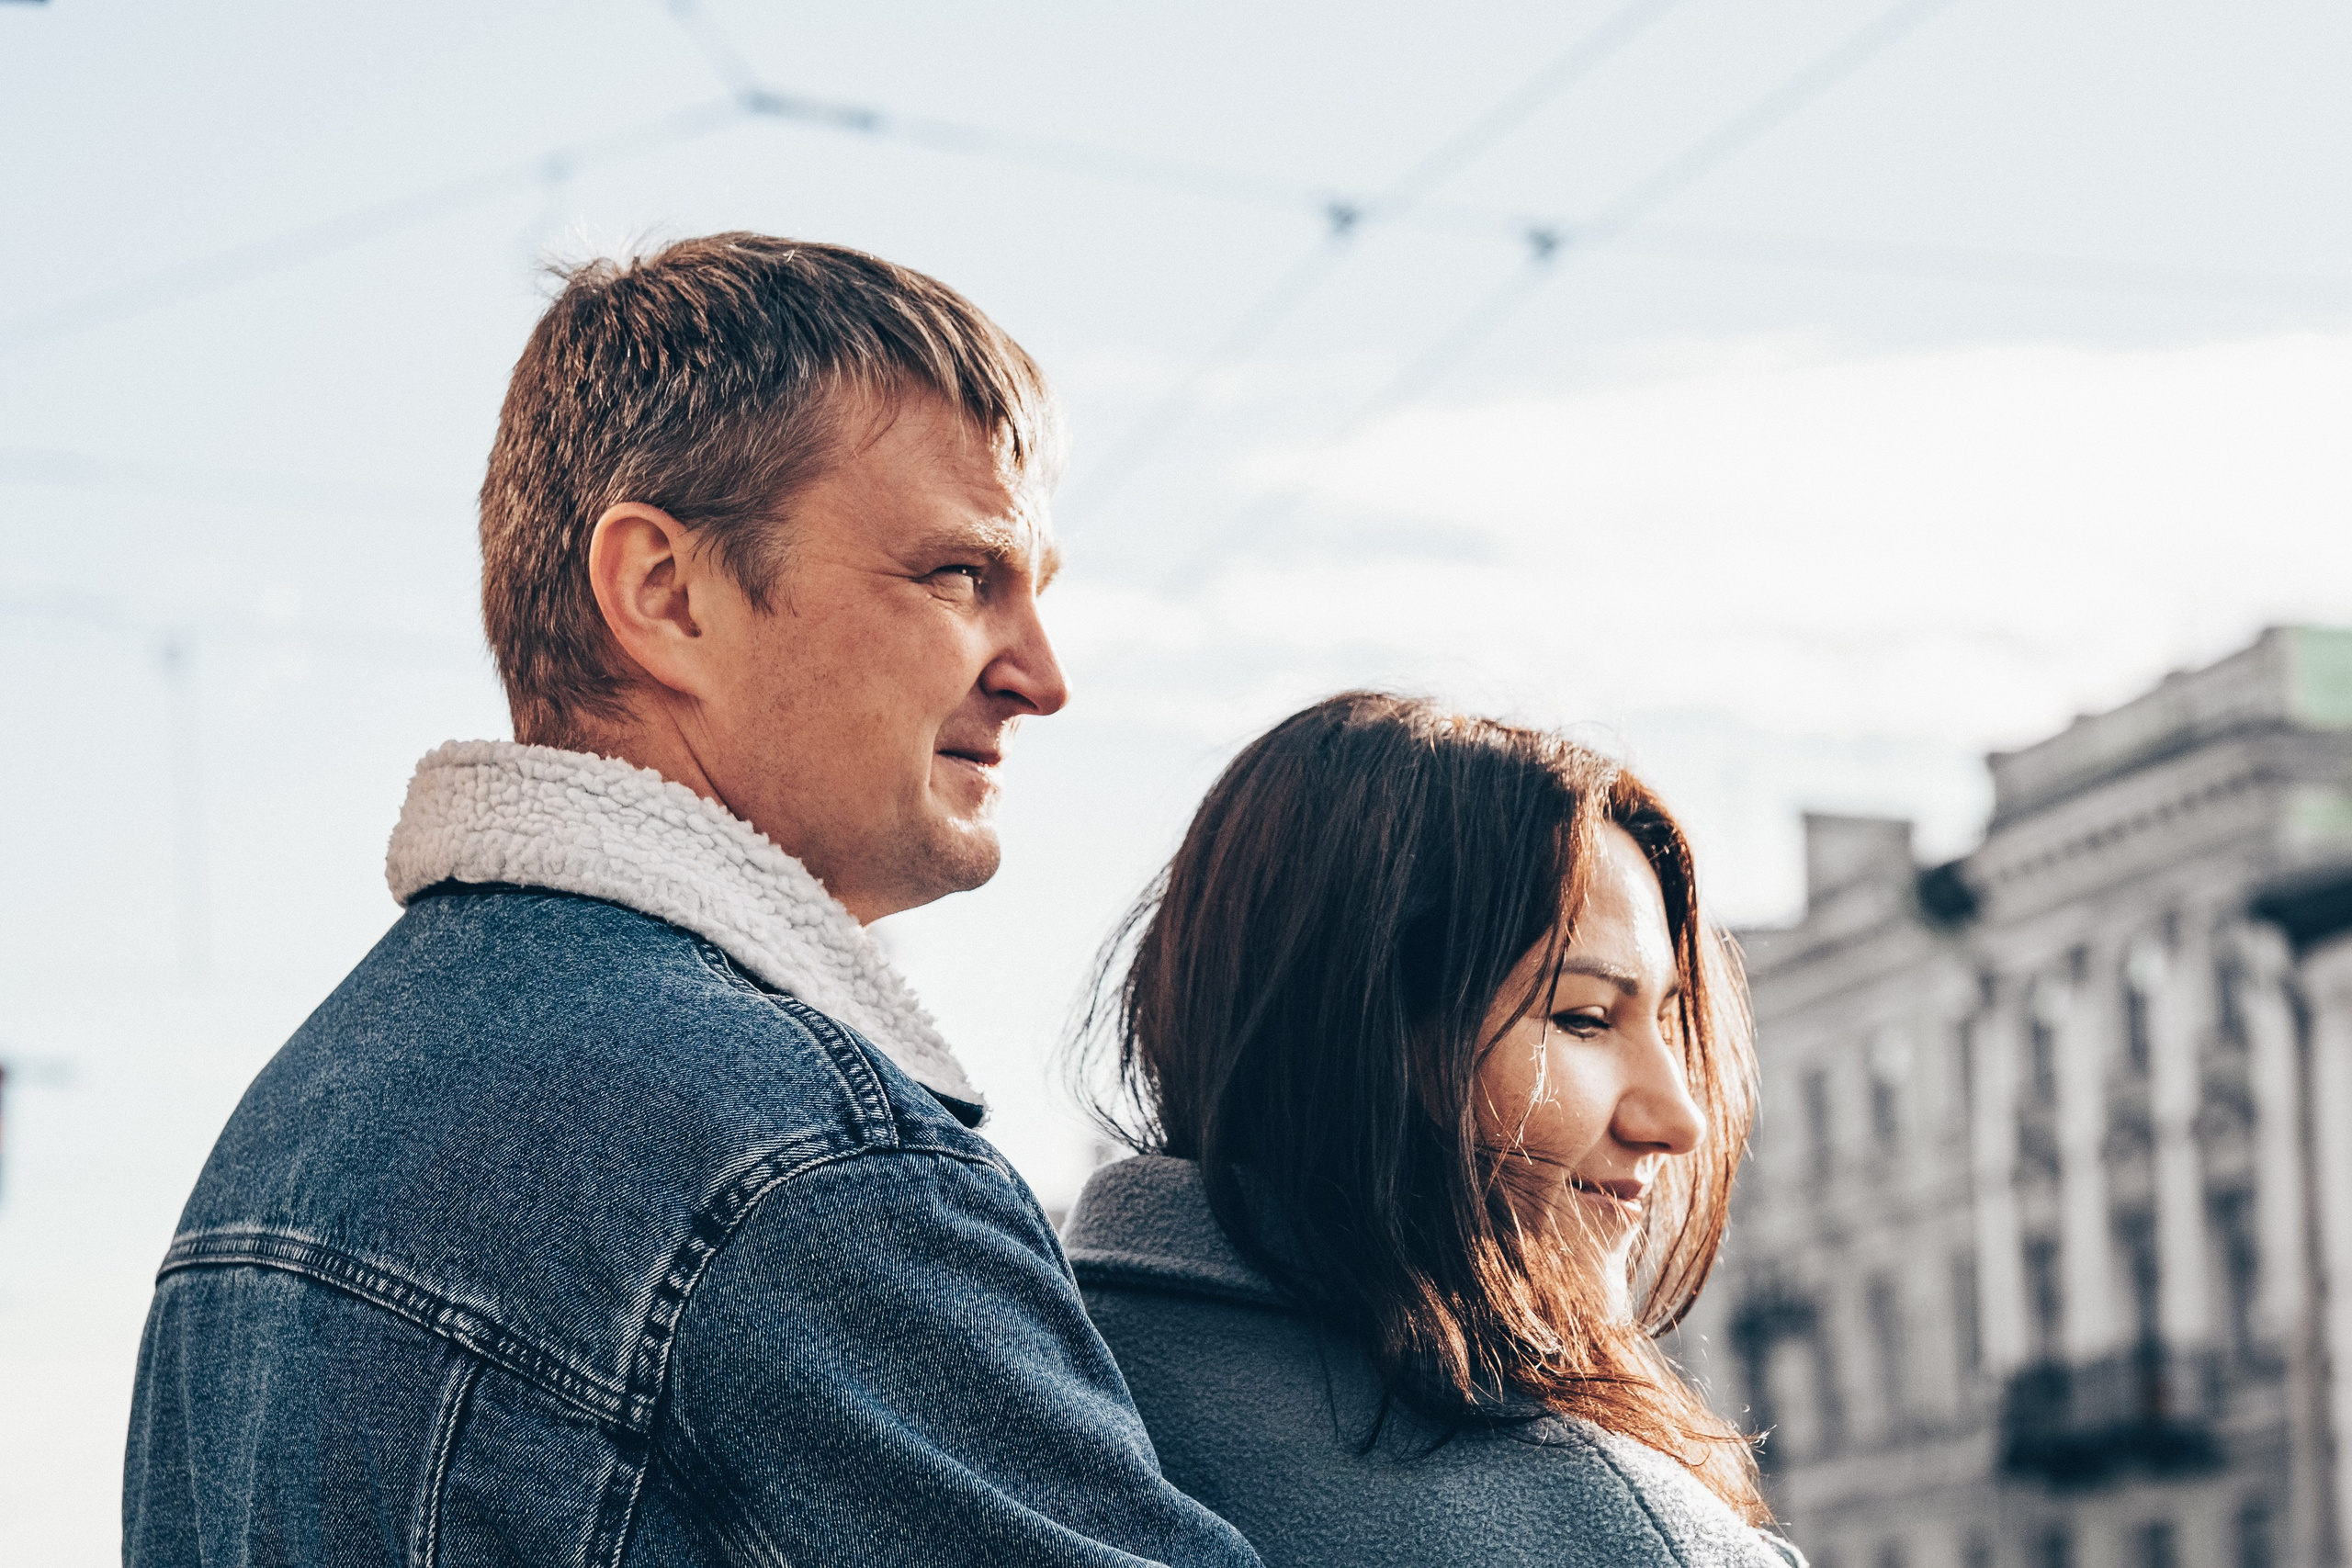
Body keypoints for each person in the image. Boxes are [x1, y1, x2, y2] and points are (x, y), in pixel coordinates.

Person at [123, 234, 1259, 1567]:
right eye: (961, 574)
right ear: (664, 592)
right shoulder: (802, 1164)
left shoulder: (284, 1127)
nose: (1041, 674)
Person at [1064, 692, 1805, 1567]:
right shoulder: (1609, 1533)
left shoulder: (984, 1379)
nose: (1676, 1118)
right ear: (1360, 1033)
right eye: (1585, 1018)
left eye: (1670, 1024)